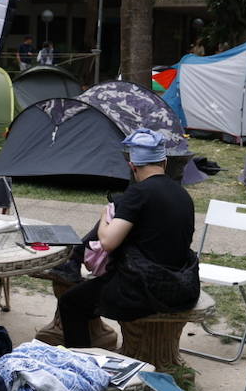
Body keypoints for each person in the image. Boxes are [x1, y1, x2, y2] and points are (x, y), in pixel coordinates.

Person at [56, 129, 199, 347]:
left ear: (132, 166)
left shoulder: (138, 193)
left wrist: (104, 218)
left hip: (143, 290)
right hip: (182, 287)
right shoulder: (182, 194)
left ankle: (81, 365)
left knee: (70, 302)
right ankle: (99, 343)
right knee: (90, 292)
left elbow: (107, 241)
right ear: (164, 162)